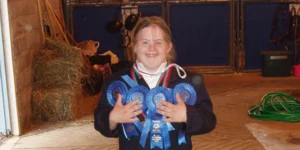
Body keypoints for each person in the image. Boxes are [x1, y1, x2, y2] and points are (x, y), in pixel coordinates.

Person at [94, 16, 216, 150]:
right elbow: (100, 122)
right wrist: (111, 118)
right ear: (134, 46)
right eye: (145, 42)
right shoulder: (115, 82)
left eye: (158, 42)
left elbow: (209, 121)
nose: (152, 48)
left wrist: (188, 115)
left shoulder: (189, 82)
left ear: (168, 46)